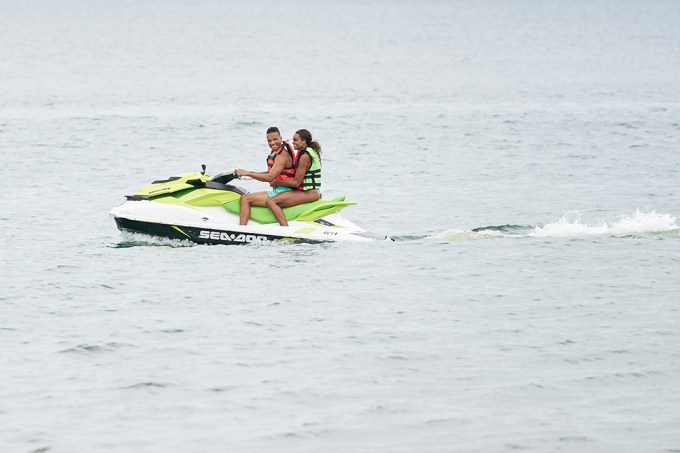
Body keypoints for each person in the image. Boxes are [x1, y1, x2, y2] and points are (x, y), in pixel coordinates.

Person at [235, 127, 296, 225]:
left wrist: (248, 174)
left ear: (281, 138)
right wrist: (249, 172)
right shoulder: (276, 152)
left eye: (275, 139)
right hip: (280, 190)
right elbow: (269, 172)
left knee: (245, 198)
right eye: (269, 140)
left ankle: (241, 230)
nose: (272, 143)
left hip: (284, 192)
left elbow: (270, 177)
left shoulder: (282, 156)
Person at [266, 129, 322, 226]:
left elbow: (296, 183)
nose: (293, 142)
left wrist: (277, 182)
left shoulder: (305, 156)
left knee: (272, 201)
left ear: (304, 141)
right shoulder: (308, 151)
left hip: (309, 193)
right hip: (310, 192)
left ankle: (285, 230)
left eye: (295, 140)